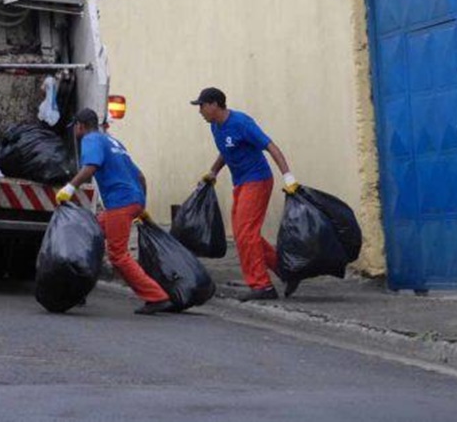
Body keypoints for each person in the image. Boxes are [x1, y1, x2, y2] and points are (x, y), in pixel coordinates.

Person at [55, 108, 174, 315]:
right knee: (90, 234)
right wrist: (141, 206)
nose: (75, 131)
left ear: (80, 126)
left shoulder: (90, 139)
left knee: (118, 255)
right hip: (132, 200)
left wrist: (70, 188)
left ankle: (157, 297)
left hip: (120, 202)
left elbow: (90, 167)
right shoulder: (114, 142)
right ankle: (79, 287)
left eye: (75, 127)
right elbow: (141, 177)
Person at [192, 87, 299, 302]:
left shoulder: (241, 123)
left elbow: (271, 147)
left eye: (202, 106)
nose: (200, 111)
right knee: (245, 233)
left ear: (214, 104)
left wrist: (288, 177)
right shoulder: (215, 126)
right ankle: (285, 270)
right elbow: (226, 150)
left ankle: (262, 286)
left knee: (245, 233)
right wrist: (213, 171)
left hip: (257, 180)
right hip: (240, 183)